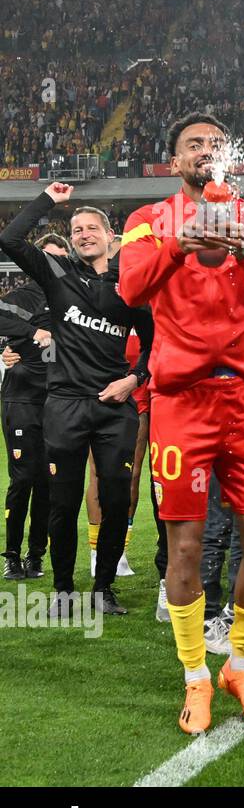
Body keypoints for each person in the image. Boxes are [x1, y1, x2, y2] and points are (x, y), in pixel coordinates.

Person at [120, 111, 244, 734]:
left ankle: (239, 667)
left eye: (216, 143)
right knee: (185, 547)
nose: (205, 151)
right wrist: (179, 243)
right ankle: (196, 678)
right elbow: (132, 289)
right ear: (174, 161)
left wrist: (243, 250)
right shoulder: (147, 222)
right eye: (193, 144)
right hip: (181, 401)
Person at [0, 188, 153, 617]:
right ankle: (64, 590)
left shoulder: (130, 285)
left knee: (117, 498)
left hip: (113, 406)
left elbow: (156, 341)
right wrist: (48, 198)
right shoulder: (57, 273)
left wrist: (134, 379)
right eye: (76, 229)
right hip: (64, 404)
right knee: (63, 502)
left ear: (110, 235)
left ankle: (103, 588)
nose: (84, 234)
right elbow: (10, 239)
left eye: (92, 228)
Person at [0, 233, 69, 581]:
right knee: (24, 477)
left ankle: (36, 555)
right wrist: (30, 335)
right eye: (46, 257)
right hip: (22, 398)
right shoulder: (22, 296)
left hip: (57, 402)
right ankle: (11, 555)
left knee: (48, 482)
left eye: (58, 258)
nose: (51, 264)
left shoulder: (73, 300)